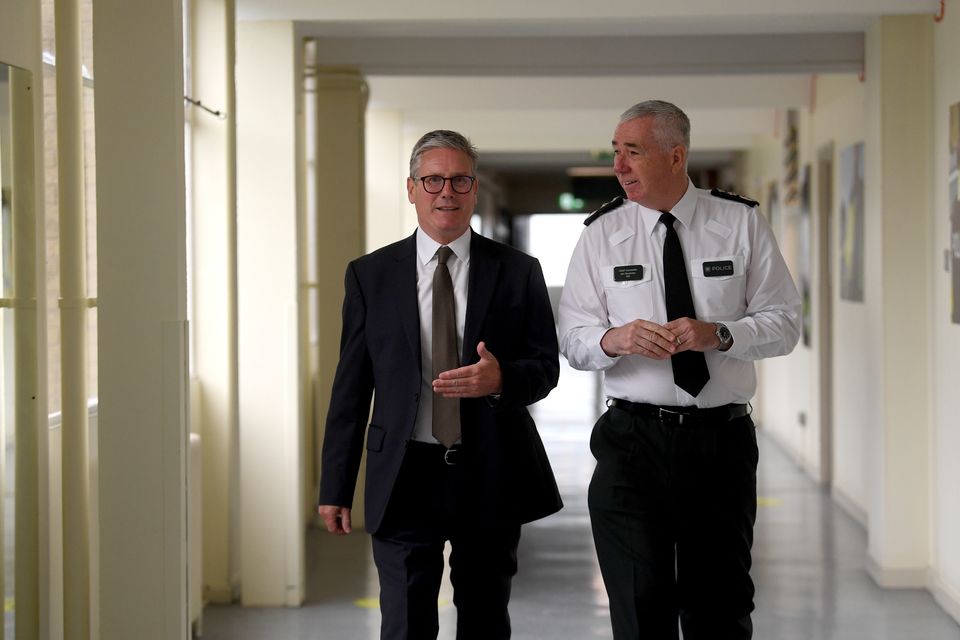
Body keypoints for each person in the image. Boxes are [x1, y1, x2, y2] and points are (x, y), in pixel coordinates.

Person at [558, 100, 801, 639]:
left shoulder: (739, 222)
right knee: (640, 609)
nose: (619, 165)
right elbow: (572, 341)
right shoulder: (600, 234)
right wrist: (613, 339)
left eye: (633, 152)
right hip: (631, 443)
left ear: (676, 155)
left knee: (720, 607)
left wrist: (721, 333)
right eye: (616, 152)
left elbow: (785, 324)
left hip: (721, 444)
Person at [318, 129, 562, 640]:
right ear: (411, 188)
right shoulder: (370, 276)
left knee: (486, 617)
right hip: (404, 472)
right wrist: (336, 486)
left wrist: (501, 379)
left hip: (489, 469)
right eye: (432, 180)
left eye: (458, 180)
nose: (445, 192)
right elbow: (351, 387)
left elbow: (545, 368)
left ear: (474, 190)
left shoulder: (519, 272)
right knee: (405, 622)